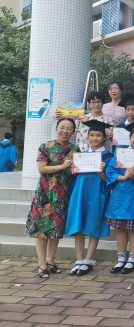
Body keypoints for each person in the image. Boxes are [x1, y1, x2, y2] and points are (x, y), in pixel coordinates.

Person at [26, 118, 79, 278]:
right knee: (42, 229)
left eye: (69, 128)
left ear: (73, 132)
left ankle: (50, 260)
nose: (65, 131)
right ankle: (41, 263)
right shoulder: (46, 146)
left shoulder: (75, 149)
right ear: (57, 128)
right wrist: (62, 166)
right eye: (62, 127)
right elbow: (42, 168)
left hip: (62, 195)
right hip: (45, 194)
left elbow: (77, 171)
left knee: (56, 229)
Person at [65, 120, 112, 276]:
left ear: (104, 137)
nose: (94, 138)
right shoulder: (82, 155)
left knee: (94, 225)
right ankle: (79, 260)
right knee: (78, 224)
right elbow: (75, 176)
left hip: (97, 193)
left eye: (98, 135)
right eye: (91, 135)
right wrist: (73, 168)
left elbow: (108, 180)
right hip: (80, 192)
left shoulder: (108, 157)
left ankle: (88, 260)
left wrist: (101, 171)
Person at [104, 119, 134, 274]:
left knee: (133, 228)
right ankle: (121, 258)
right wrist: (124, 177)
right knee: (121, 228)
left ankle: (132, 259)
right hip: (120, 194)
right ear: (129, 138)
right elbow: (110, 172)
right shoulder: (120, 153)